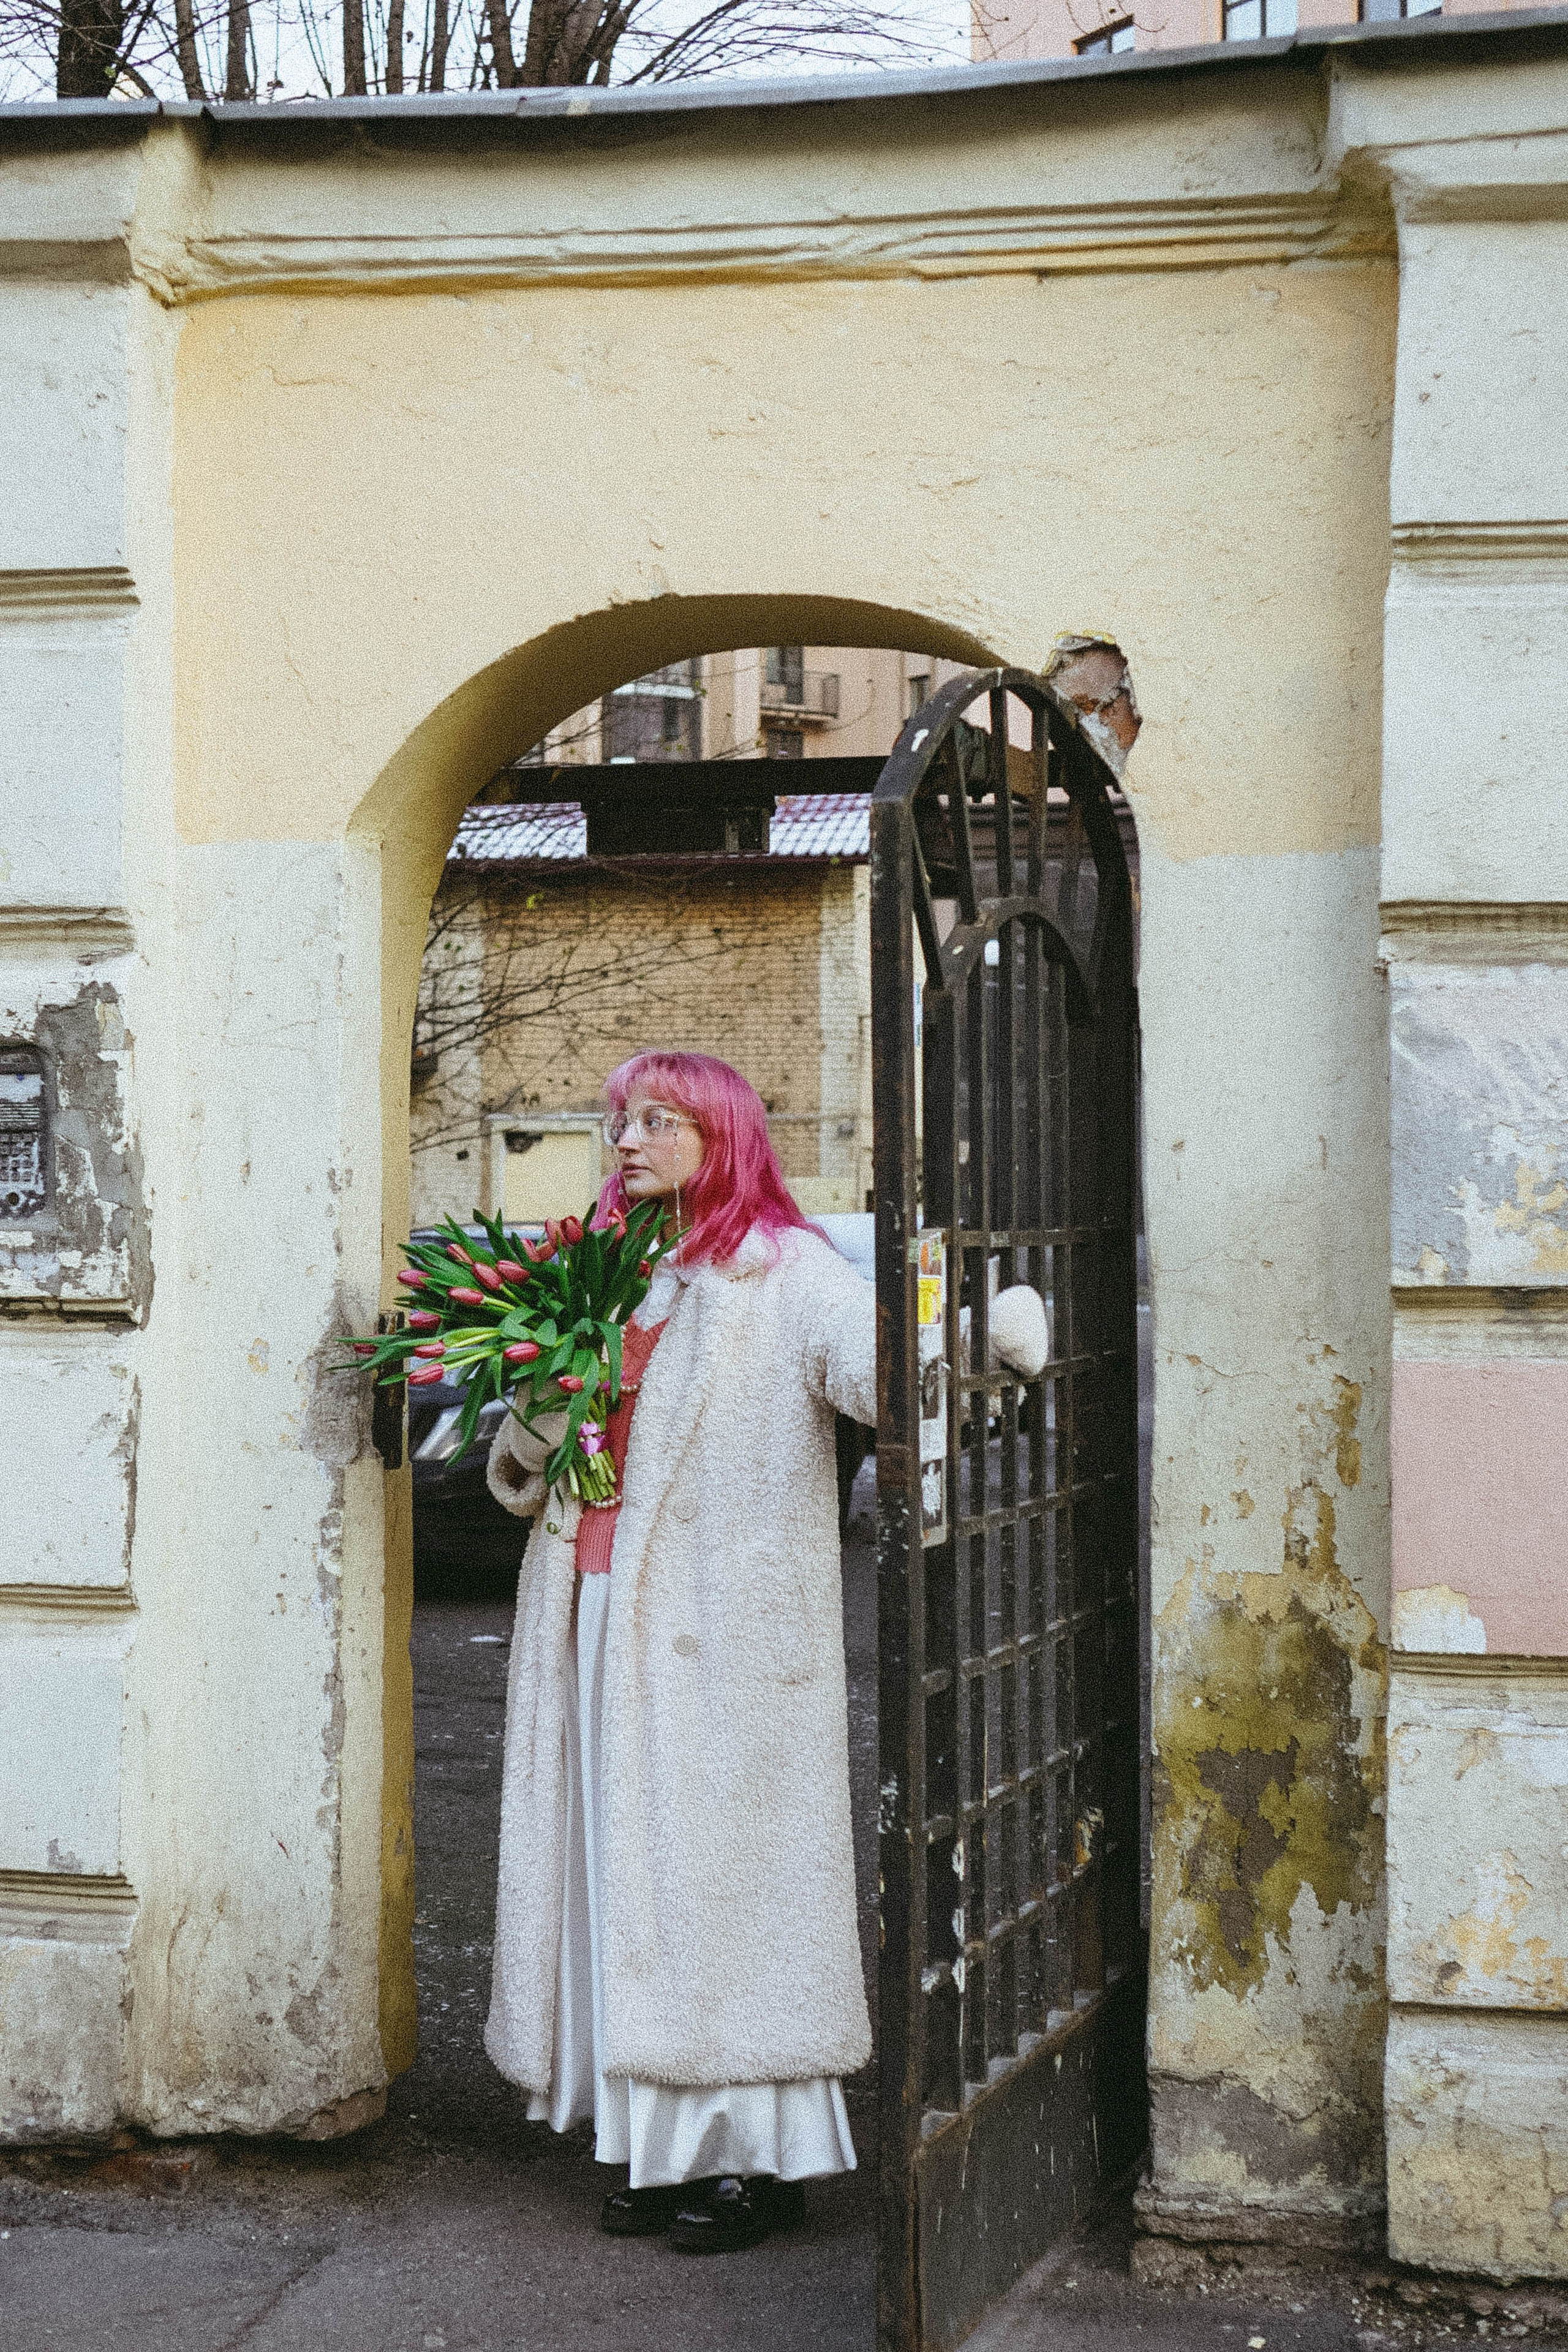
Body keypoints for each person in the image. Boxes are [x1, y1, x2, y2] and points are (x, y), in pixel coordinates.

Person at [484, 1050, 1047, 2253]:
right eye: (618, 1120)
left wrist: (973, 1341)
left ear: (719, 1136)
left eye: (655, 1120)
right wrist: (545, 1404)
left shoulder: (783, 1273)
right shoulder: (613, 1273)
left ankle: (751, 2163)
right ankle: (651, 2144)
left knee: (718, 1892)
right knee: (616, 1875)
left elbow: (876, 1370)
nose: (625, 1140)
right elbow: (533, 1448)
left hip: (721, 1640)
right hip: (589, 1614)